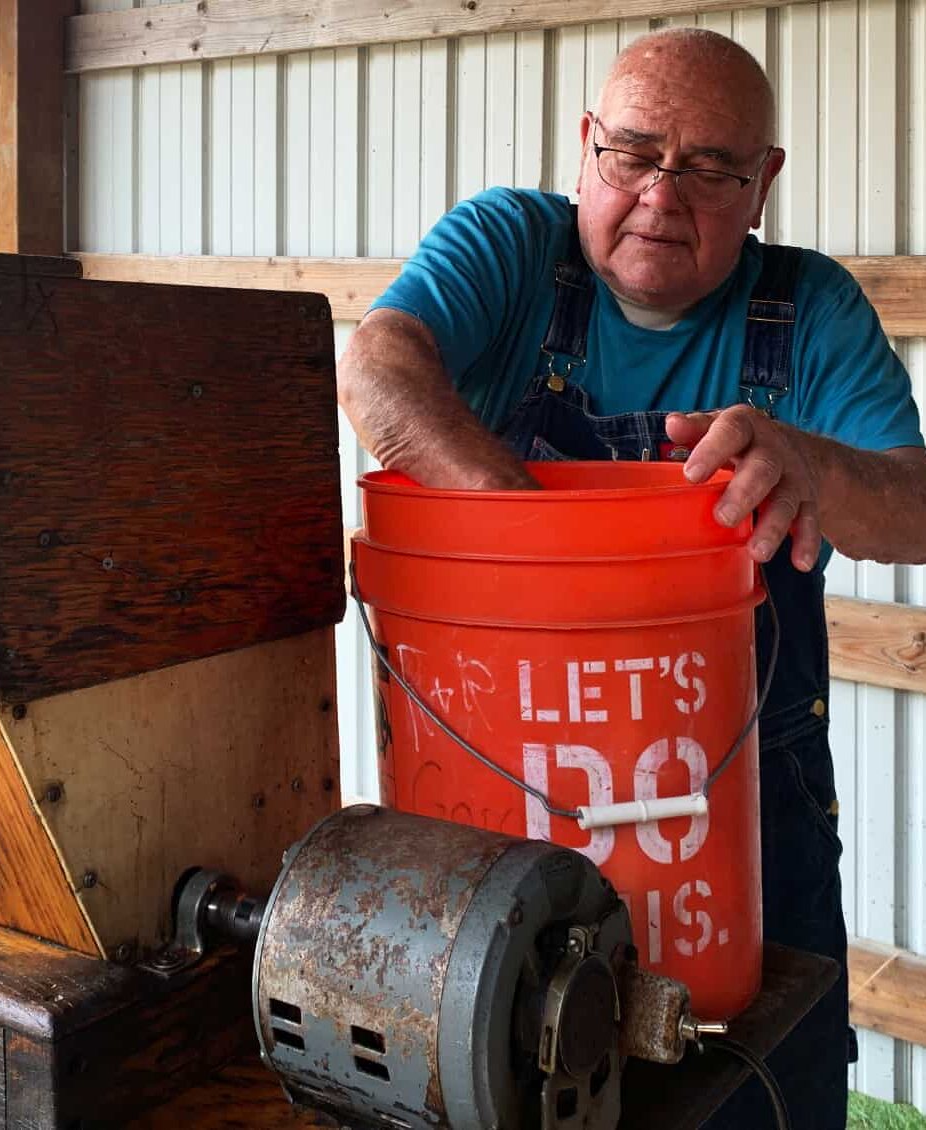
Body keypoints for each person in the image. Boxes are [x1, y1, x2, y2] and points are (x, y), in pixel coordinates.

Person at [337, 26, 926, 1130]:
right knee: (496, 1079)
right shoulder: (511, 246)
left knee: (760, 1088)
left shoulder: (807, 309)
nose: (663, 195)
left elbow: (915, 501)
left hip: (737, 799)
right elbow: (378, 364)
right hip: (504, 785)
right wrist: (547, 553)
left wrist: (812, 463)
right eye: (634, 153)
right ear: (584, 151)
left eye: (709, 168)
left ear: (761, 186)